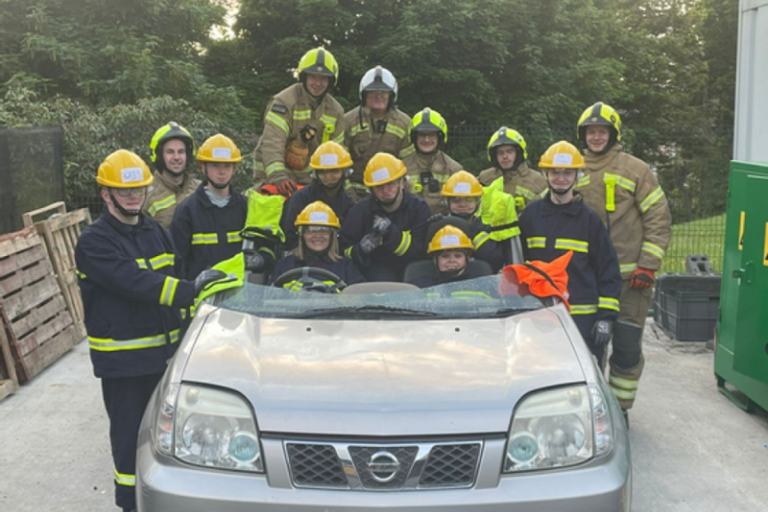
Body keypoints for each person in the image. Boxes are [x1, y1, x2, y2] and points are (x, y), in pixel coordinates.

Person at [75, 149, 226, 512]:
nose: (133, 196)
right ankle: (129, 505)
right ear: (105, 194)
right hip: (125, 366)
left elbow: (175, 271)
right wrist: (191, 289)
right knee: (130, 446)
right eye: (123, 191)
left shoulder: (154, 231)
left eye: (139, 189)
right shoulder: (94, 242)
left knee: (170, 442)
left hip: (165, 359)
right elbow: (136, 283)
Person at [576, 102, 672, 419]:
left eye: (602, 131)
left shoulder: (636, 170)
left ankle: (620, 412)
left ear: (612, 134)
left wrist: (648, 265)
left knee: (627, 349)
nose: (596, 137)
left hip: (633, 282)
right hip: (589, 282)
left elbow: (658, 220)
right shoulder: (572, 170)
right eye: (591, 132)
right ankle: (591, 413)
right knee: (588, 350)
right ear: (583, 135)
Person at [518, 141, 622, 368]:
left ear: (577, 176)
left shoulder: (590, 220)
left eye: (567, 172)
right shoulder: (530, 215)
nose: (561, 178)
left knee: (581, 378)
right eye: (555, 172)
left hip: (582, 318)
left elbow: (608, 270)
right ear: (546, 174)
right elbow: (518, 264)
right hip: (539, 314)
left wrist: (606, 318)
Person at [253, 47, 346, 197]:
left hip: (313, 183)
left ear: (330, 81)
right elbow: (273, 141)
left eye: (323, 78)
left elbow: (338, 153)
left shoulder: (336, 111)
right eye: (313, 77)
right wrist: (278, 177)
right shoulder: (283, 102)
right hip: (276, 181)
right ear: (304, 77)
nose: (317, 83)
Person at [340, 152, 431, 281]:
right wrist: (361, 249)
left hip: (411, 267)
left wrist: (390, 232)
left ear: (402, 183)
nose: (385, 190)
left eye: (391, 184)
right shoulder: (360, 211)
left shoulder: (418, 208)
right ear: (371, 190)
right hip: (374, 267)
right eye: (379, 187)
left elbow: (419, 251)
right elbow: (343, 251)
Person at [171, 134, 248, 280]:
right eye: (215, 165)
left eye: (227, 166)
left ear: (235, 168)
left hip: (239, 294)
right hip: (201, 296)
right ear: (203, 167)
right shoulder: (187, 211)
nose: (222, 172)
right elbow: (178, 263)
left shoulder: (246, 207)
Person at [344, 65, 413, 200]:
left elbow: (409, 166)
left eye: (384, 92)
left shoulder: (404, 124)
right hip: (354, 196)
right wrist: (351, 198)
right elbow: (339, 167)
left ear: (392, 95)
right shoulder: (348, 121)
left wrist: (396, 198)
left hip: (389, 196)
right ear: (364, 95)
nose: (378, 96)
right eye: (372, 92)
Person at [270, 201, 364, 289]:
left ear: (332, 236)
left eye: (324, 230)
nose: (318, 235)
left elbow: (360, 298)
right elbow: (268, 297)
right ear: (302, 235)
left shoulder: (346, 267)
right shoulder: (285, 265)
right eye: (311, 230)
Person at [280, 141, 355, 250]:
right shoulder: (300, 198)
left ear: (345, 172)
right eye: (323, 172)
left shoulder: (348, 204)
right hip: (300, 258)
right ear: (315, 173)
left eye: (334, 171)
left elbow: (347, 240)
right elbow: (289, 235)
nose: (328, 176)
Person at [431, 171, 506, 272]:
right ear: (446, 202)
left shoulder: (487, 229)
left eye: (469, 200)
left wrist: (471, 230)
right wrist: (432, 227)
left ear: (478, 202)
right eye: (456, 200)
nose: (462, 204)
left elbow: (495, 259)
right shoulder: (437, 226)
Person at [402, 108, 462, 214]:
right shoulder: (402, 167)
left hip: (443, 224)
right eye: (421, 135)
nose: (426, 140)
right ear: (414, 137)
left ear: (440, 137)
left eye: (431, 135)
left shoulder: (453, 169)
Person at [142, 122, 200, 229]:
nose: (176, 157)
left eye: (181, 151)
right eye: (170, 152)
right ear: (159, 156)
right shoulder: (144, 195)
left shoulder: (201, 190)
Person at [478, 127, 547, 213]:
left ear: (518, 153)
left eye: (509, 151)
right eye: (500, 153)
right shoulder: (485, 178)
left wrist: (525, 210)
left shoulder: (538, 181)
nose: (505, 156)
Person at [409, 225, 477, 288]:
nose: (452, 260)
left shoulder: (479, 286)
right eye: (445, 256)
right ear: (435, 259)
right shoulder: (420, 287)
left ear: (467, 258)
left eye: (458, 256)